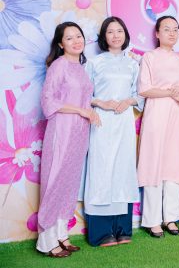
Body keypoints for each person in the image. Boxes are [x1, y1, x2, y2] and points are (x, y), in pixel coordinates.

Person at [37, 22, 100, 257]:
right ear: (61, 44)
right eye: (69, 38)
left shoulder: (81, 67)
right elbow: (48, 100)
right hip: (62, 130)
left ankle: (61, 234)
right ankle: (46, 240)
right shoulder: (59, 65)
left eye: (79, 36)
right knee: (55, 181)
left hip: (79, 133)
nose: (76, 41)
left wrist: (92, 109)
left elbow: (84, 98)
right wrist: (81, 110)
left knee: (69, 182)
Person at [84, 17, 141, 246]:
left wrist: (128, 101)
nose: (116, 35)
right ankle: (101, 231)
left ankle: (122, 228)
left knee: (123, 169)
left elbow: (139, 94)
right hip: (102, 122)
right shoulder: (94, 63)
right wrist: (101, 103)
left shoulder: (133, 64)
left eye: (119, 31)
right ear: (103, 36)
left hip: (124, 121)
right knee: (102, 168)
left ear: (125, 35)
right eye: (110, 31)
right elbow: (84, 95)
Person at [137, 16, 179, 237]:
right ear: (157, 33)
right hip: (156, 112)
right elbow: (144, 89)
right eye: (167, 29)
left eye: (175, 29)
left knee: (175, 162)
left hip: (177, 113)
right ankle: (152, 220)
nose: (172, 33)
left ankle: (171, 218)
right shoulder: (149, 57)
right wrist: (170, 92)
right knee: (154, 162)